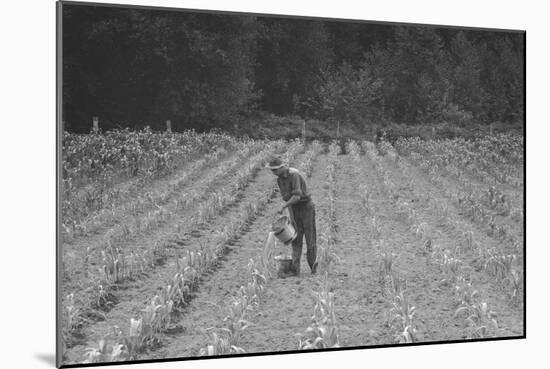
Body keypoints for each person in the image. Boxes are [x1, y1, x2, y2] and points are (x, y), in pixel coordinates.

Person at [266, 156, 317, 277]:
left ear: (282, 167)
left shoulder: (294, 175)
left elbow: (297, 197)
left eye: (275, 170)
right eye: (272, 170)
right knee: (295, 238)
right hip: (294, 208)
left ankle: (313, 267)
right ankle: (295, 269)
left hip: (306, 207)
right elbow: (287, 198)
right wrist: (290, 214)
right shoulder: (279, 180)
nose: (273, 173)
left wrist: (283, 207)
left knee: (310, 238)